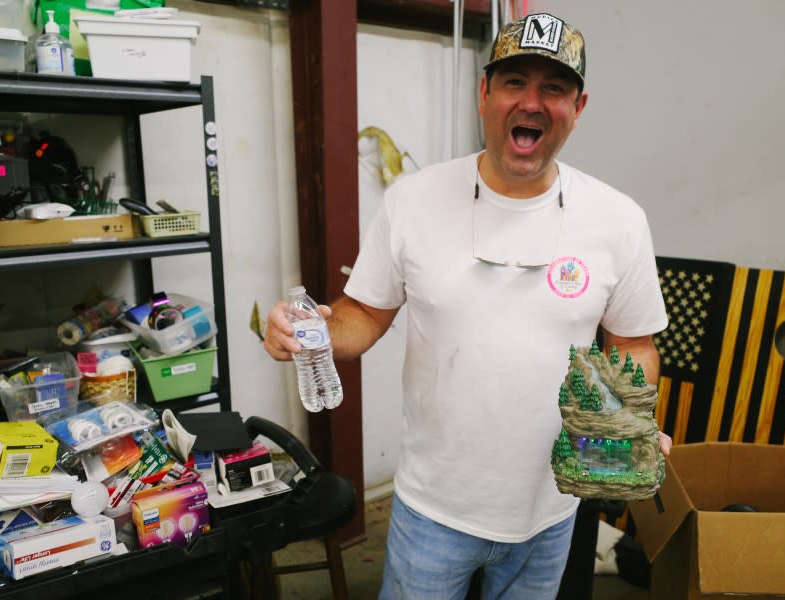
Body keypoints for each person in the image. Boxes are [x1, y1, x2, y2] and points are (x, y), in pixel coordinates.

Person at [264, 12, 671, 600]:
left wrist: (627, 420)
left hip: (551, 508)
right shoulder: (414, 201)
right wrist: (311, 332)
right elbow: (364, 314)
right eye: (514, 82)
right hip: (434, 508)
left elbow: (633, 343)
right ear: (484, 93)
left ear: (578, 108)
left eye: (553, 88)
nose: (531, 102)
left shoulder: (618, 220)